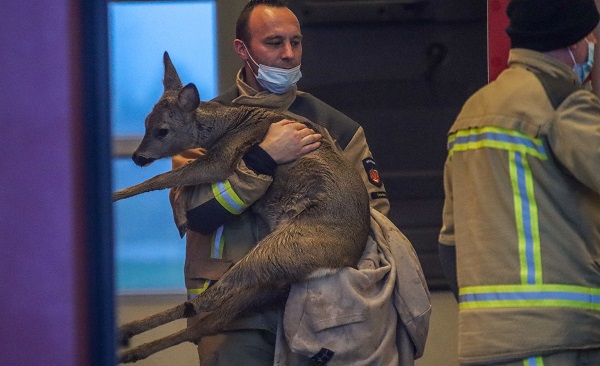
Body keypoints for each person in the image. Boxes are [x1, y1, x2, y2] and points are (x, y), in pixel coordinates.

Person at [170, 0, 390, 364]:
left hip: (318, 308)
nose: (288, 54)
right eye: (274, 43)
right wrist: (263, 159)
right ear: (243, 49)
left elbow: (374, 219)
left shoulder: (338, 128)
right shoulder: (203, 126)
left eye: (296, 42)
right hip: (233, 313)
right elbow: (195, 213)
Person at [438, 0, 600, 364]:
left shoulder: (470, 114)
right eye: (592, 36)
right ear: (576, 43)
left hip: (487, 340)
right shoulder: (559, 101)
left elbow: (449, 243)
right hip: (553, 335)